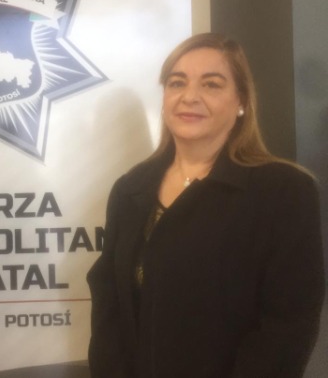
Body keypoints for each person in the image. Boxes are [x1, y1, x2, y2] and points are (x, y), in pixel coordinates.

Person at [87, 33, 324, 378]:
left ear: (241, 101)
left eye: (211, 84)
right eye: (177, 83)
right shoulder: (130, 190)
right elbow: (109, 309)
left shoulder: (284, 192)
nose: (190, 97)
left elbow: (288, 324)